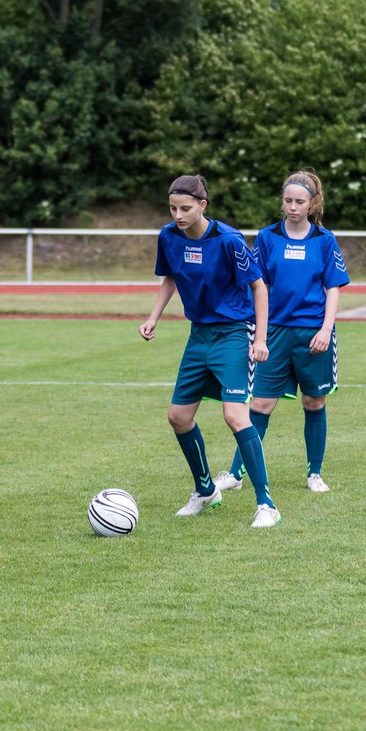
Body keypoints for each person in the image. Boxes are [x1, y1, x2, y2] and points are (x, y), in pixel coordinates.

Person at [139, 174, 281, 528]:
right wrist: (153, 318)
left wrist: (259, 339)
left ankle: (267, 505)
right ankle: (205, 491)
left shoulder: (229, 240)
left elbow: (259, 288)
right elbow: (170, 277)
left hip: (233, 334)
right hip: (198, 336)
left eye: (185, 208)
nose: (178, 215)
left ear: (203, 205)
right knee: (178, 417)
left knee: (235, 416)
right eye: (172, 208)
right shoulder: (168, 236)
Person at [216, 170, 349, 494]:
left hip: (313, 334)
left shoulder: (324, 240)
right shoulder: (267, 237)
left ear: (312, 203)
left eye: (299, 201)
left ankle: (314, 473)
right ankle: (236, 473)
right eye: (287, 200)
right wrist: (256, 330)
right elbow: (258, 285)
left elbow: (333, 287)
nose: (292, 207)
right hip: (274, 333)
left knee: (314, 402)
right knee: (260, 405)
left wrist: (325, 329)